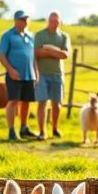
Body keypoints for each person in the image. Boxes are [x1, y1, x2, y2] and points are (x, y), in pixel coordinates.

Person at [0, 10, 37, 141]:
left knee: (26, 102)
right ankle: (11, 131)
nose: (25, 21)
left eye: (27, 19)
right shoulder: (7, 36)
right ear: (16, 20)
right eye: (22, 19)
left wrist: (36, 72)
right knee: (13, 101)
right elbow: (1, 55)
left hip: (29, 75)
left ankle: (24, 128)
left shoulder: (30, 36)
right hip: (14, 75)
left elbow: (33, 57)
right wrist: (10, 70)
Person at [33, 11, 70, 140]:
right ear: (47, 21)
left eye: (56, 20)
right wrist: (56, 52)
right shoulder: (39, 35)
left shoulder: (64, 37)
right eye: (51, 20)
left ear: (60, 22)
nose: (54, 22)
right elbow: (37, 53)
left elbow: (65, 55)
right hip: (42, 74)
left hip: (57, 74)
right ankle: (42, 131)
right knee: (42, 103)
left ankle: (55, 129)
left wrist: (47, 50)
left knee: (56, 104)